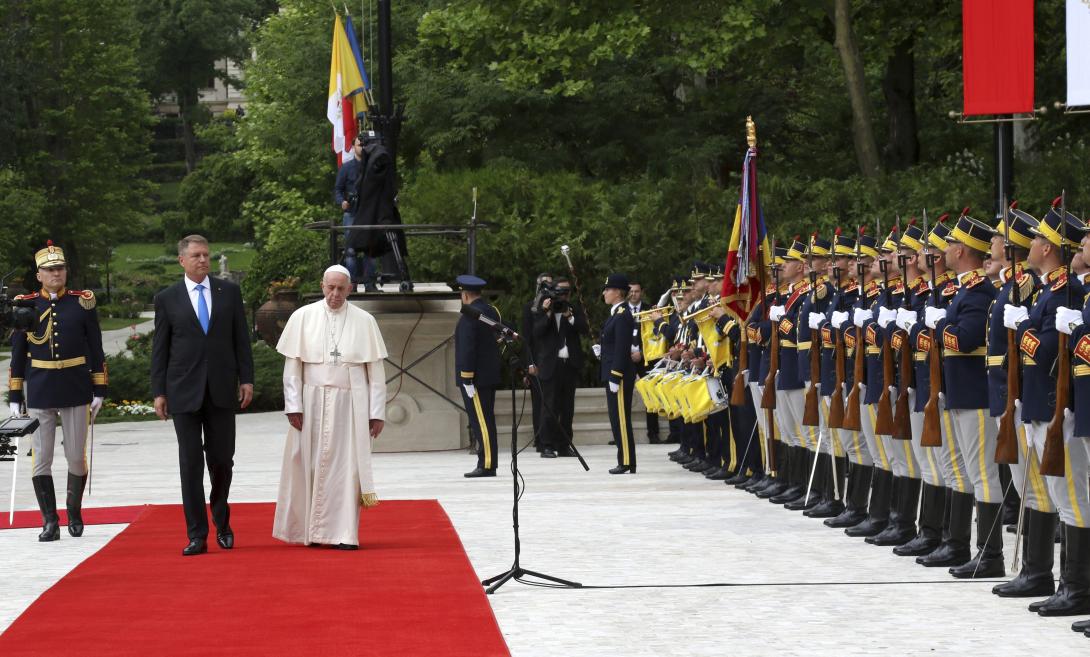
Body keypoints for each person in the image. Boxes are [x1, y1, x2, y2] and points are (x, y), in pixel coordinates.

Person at [151, 235, 254, 556]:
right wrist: (159, 391)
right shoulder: (167, 298)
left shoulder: (229, 293)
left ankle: (222, 522)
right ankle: (197, 533)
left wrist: (246, 379)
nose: (203, 260)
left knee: (222, 461)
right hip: (183, 391)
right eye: (196, 255)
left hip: (222, 389)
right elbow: (161, 349)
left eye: (206, 255)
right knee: (190, 463)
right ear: (182, 260)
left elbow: (241, 340)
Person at [272, 265, 388, 550]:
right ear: (322, 286)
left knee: (347, 469)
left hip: (351, 404)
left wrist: (376, 413)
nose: (335, 294)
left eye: (341, 289)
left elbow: (376, 374)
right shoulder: (303, 316)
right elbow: (293, 368)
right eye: (330, 287)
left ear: (350, 289)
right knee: (306, 463)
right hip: (310, 401)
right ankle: (307, 532)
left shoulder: (365, 321)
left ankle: (344, 534)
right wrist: (293, 405)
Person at [9, 241, 107, 541]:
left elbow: (95, 346)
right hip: (40, 388)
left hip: (75, 386)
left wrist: (99, 388)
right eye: (50, 270)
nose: (56, 274)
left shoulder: (82, 302)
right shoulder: (25, 305)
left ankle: (74, 512)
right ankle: (50, 522)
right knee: (42, 458)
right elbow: (17, 352)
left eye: (60, 269)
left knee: (76, 455)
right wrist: (15, 394)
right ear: (38, 275)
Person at [532, 277, 587, 457]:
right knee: (549, 407)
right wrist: (547, 312)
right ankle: (546, 444)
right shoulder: (543, 309)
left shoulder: (573, 309)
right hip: (550, 365)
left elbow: (585, 328)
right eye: (560, 292)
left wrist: (570, 317)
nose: (563, 296)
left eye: (566, 292)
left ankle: (564, 445)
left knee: (567, 408)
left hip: (569, 365)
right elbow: (536, 333)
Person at [456, 274, 502, 478]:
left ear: (464, 295)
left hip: (475, 378)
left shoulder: (471, 315)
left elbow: (468, 348)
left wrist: (466, 378)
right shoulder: (490, 311)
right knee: (485, 419)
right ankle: (487, 462)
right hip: (487, 375)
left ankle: (487, 464)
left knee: (481, 422)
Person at [598, 273, 637, 474]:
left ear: (618, 292)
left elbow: (623, 348)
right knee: (616, 418)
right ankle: (625, 459)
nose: (604, 293)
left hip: (618, 375)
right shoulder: (616, 313)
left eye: (607, 289)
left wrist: (615, 375)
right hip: (612, 370)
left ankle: (627, 461)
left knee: (621, 418)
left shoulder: (622, 315)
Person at [333, 135, 373, 289]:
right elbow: (338, 189)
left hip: (369, 213)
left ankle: (370, 284)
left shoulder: (373, 166)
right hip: (352, 213)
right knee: (351, 251)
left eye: (364, 144)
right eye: (359, 144)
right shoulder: (347, 167)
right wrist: (342, 201)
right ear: (354, 147)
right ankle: (352, 285)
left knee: (371, 249)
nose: (362, 147)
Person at [627, 281, 660, 443]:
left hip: (645, 358)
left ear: (642, 292)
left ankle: (653, 434)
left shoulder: (650, 310)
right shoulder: (620, 309)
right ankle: (622, 435)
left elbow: (655, 336)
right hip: (626, 358)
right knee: (623, 396)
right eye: (631, 291)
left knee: (650, 395)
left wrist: (641, 352)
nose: (633, 294)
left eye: (637, 291)